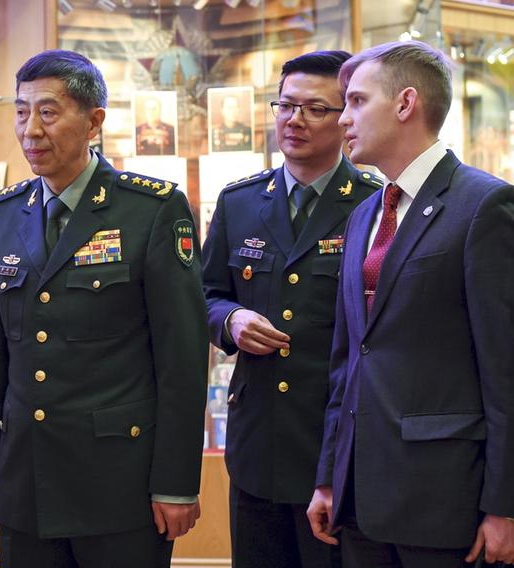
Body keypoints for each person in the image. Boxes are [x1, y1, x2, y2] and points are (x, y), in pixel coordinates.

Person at [0, 49, 209, 567]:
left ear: (94, 121)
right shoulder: (0, 214)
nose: (30, 130)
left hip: (119, 482)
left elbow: (182, 360)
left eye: (48, 112)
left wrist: (176, 483)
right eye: (21, 110)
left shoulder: (151, 210)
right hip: (25, 480)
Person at [307, 40, 514, 567]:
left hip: (446, 501)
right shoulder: (363, 216)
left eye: (355, 102)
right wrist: (330, 476)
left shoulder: (483, 205)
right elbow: (348, 360)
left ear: (404, 105)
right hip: (359, 501)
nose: (342, 119)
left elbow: (505, 367)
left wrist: (505, 506)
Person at [202, 50, 381, 568]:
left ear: (346, 116)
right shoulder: (240, 202)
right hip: (259, 441)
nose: (294, 120)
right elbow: (205, 293)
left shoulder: (372, 204)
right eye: (285, 105)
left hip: (339, 444)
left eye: (315, 109)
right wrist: (230, 321)